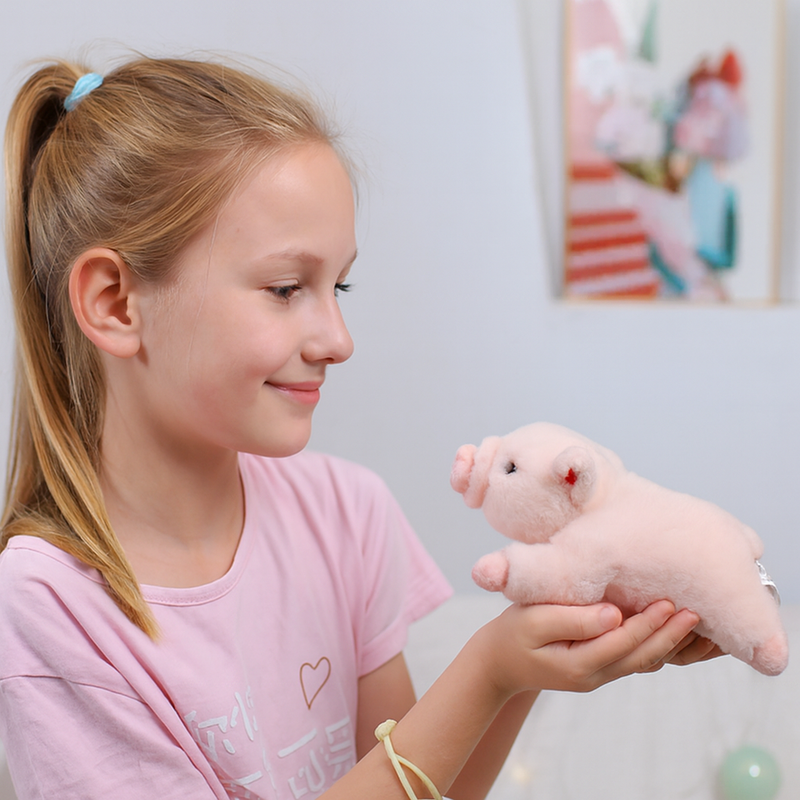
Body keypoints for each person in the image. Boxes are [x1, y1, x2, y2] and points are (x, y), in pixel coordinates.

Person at [0, 55, 717, 800]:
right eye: (286, 289)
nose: (338, 340)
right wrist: (486, 670)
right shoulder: (47, 603)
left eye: (336, 285)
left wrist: (521, 666)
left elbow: (420, 786)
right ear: (115, 303)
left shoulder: (346, 513)